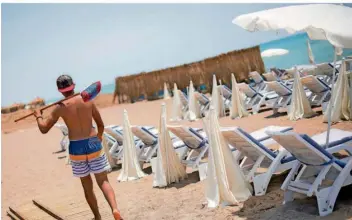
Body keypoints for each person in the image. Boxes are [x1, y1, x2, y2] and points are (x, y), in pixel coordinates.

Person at [33, 75, 123, 220]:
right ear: (73, 86)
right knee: (103, 181)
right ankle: (115, 209)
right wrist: (98, 137)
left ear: (60, 91)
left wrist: (38, 116)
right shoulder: (88, 100)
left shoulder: (59, 108)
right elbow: (100, 124)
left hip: (76, 148)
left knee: (87, 187)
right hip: (93, 144)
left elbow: (44, 129)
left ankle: (97, 217)